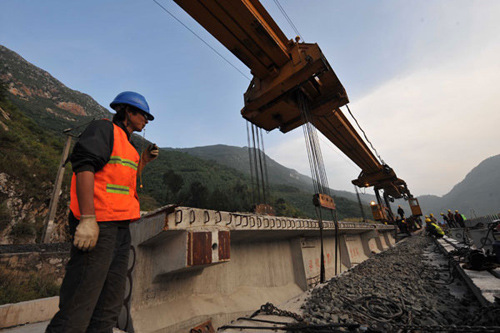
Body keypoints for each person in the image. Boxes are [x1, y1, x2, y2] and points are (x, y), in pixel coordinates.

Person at [46, 91, 159, 333]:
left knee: (110, 303)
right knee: (80, 302)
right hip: (99, 225)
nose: (147, 121)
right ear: (128, 111)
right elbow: (85, 166)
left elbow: (119, 181)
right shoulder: (103, 129)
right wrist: (87, 219)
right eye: (144, 115)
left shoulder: (128, 145)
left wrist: (144, 162)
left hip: (121, 228)